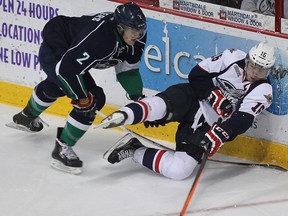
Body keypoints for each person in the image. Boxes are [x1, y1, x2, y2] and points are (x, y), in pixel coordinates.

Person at [100, 42, 275, 180]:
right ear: (248, 60)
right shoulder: (232, 57)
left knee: (180, 170)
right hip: (193, 98)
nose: (255, 72)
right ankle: (124, 115)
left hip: (207, 126)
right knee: (159, 106)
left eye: (262, 70)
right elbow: (196, 75)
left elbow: (243, 119)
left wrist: (222, 132)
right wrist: (212, 94)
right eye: (253, 66)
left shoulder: (264, 90)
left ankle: (134, 150)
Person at [11, 2, 147, 174]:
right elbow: (66, 70)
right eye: (133, 31)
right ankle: (62, 149)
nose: (138, 34)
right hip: (57, 47)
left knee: (58, 86)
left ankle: (26, 117)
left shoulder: (137, 36)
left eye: (141, 29)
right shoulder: (100, 38)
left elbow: (128, 71)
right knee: (92, 100)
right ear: (120, 27)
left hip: (72, 50)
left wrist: (139, 99)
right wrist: (83, 99)